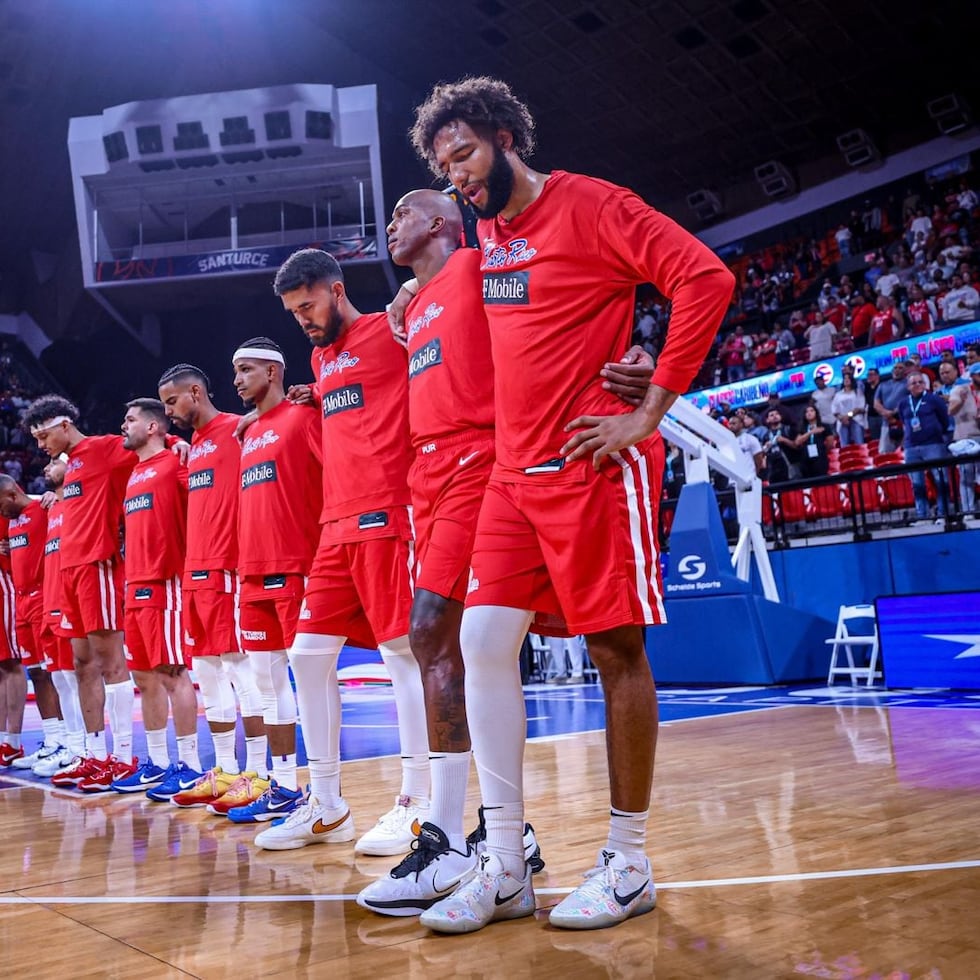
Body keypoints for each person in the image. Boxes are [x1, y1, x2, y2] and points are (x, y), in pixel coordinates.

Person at [407, 75, 734, 933]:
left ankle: (628, 861)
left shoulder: (594, 206)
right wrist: (411, 298)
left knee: (615, 652)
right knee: (480, 641)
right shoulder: (488, 231)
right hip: (513, 477)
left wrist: (650, 403)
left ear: (508, 136)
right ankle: (507, 863)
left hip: (592, 460)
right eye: (446, 169)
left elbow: (703, 278)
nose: (460, 178)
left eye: (467, 155)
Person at [257, 249, 430, 857]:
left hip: (389, 511)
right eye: (293, 311)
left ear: (336, 289)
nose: (302, 318)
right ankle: (327, 804)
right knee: (307, 657)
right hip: (335, 523)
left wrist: (413, 294)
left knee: (402, 655)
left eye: (307, 305)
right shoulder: (320, 356)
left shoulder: (392, 328)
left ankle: (418, 802)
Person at [156, 364, 268, 811]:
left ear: (196, 393)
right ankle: (223, 770)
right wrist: (170, 442)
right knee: (208, 674)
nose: (168, 412)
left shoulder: (236, 429)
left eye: (171, 402)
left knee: (243, 672)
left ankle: (258, 775)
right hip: (194, 571)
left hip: (228, 569)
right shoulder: (194, 445)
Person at [222, 338, 322, 826]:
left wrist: (319, 394)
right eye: (235, 371)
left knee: (300, 678)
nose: (237, 379)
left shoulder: (304, 417)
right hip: (252, 571)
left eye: (246, 369)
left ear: (274, 370)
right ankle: (281, 784)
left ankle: (318, 791)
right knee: (264, 681)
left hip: (295, 565)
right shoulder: (249, 431)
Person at [22, 395, 137, 791]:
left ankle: (122, 758)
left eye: (43, 435)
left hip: (97, 567)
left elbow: (151, 451)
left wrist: (178, 444)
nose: (41, 446)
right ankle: (94, 754)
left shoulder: (104, 448)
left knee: (110, 663)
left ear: (65, 424)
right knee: (81, 664)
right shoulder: (70, 470)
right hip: (69, 572)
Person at [108, 398, 203, 799]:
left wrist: (184, 447)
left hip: (166, 584)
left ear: (152, 427)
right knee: (144, 678)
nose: (123, 425)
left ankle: (191, 765)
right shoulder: (134, 472)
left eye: (129, 419)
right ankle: (158, 762)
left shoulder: (176, 463)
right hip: (135, 584)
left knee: (172, 674)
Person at [0, 474, 66, 770]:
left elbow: (69, 503)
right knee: (37, 673)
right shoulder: (13, 520)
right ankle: (52, 740)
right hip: (24, 600)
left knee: (57, 673)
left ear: (12, 493)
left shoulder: (43, 507)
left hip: (44, 598)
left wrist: (56, 495)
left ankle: (69, 742)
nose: (0, 513)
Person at [32, 457, 85, 776]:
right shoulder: (50, 507)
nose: (45, 468)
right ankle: (69, 742)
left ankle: (81, 747)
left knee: (74, 676)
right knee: (60, 678)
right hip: (49, 599)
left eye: (53, 463)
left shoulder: (80, 502)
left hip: (69, 599)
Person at [898, 371, 951, 522]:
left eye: (921, 382)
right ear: (908, 387)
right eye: (914, 383)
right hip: (911, 448)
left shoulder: (934, 399)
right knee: (917, 484)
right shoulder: (903, 403)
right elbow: (904, 421)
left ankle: (943, 514)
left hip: (933, 445)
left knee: (941, 481)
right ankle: (923, 516)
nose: (918, 385)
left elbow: (945, 420)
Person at [0, 512, 27, 766]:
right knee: (1, 668)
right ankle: (3, 740)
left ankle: (14, 742)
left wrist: (50, 496)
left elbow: (29, 505)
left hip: (6, 585)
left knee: (11, 662)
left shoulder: (8, 505)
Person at [947, 363, 980, 516]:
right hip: (965, 439)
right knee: (966, 477)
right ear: (972, 376)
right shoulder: (960, 389)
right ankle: (968, 511)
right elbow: (951, 411)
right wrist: (960, 401)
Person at [874, 361, 909, 453]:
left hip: (905, 422)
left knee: (906, 451)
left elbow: (911, 399)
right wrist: (885, 412)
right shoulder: (883, 384)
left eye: (900, 368)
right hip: (887, 423)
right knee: (884, 453)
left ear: (905, 371)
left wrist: (895, 411)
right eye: (895, 368)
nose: (897, 370)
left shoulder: (909, 383)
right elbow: (876, 403)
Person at [831, 369, 866, 447]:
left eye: (848, 378)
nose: (846, 380)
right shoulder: (838, 394)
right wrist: (842, 418)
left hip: (856, 420)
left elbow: (860, 408)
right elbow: (834, 409)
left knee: (859, 443)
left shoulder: (857, 392)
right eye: (845, 379)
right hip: (842, 422)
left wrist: (847, 416)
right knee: (844, 445)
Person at [794, 405, 830, 478]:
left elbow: (830, 442)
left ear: (816, 412)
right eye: (806, 412)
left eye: (811, 411)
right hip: (806, 459)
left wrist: (823, 451)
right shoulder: (802, 428)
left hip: (820, 458)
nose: (809, 413)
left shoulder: (824, 426)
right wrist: (811, 432)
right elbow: (797, 442)